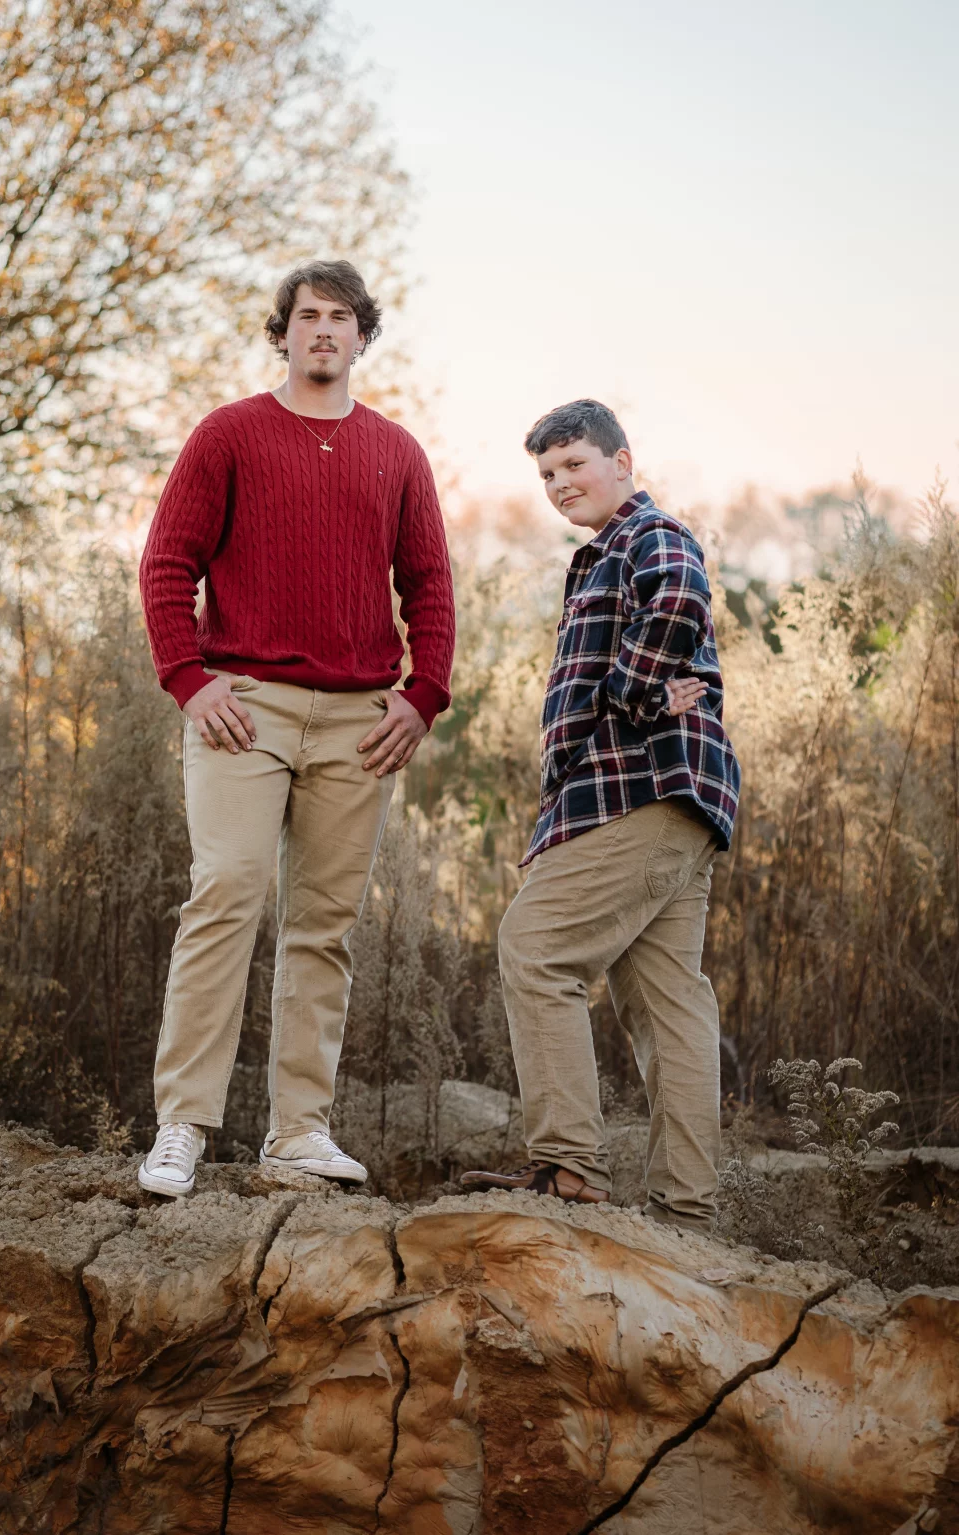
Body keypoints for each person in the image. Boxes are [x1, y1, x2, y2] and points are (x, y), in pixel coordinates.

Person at [137, 260, 455, 1197]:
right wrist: (190, 682)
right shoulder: (229, 434)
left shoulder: (397, 452)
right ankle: (182, 1125)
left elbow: (430, 582)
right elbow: (167, 564)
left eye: (342, 317)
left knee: (323, 926)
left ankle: (299, 1133)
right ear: (283, 333)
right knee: (227, 893)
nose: (324, 329)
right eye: (308, 316)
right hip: (244, 706)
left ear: (363, 336)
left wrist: (421, 693)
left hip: (360, 722)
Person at [461, 399, 739, 1229]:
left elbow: (678, 603)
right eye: (547, 473)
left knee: (535, 947)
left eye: (575, 464)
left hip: (640, 786)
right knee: (665, 1000)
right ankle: (686, 1209)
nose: (560, 483)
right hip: (672, 797)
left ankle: (568, 1166)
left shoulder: (650, 536)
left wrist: (637, 688)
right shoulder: (603, 554)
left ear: (623, 460)